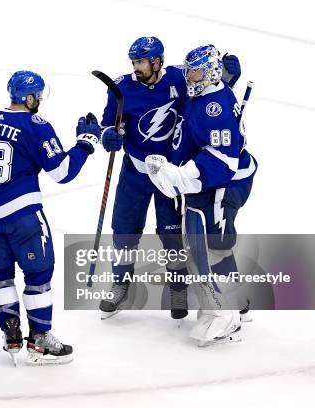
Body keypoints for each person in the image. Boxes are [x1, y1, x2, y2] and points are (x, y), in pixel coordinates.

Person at [0, 70, 100, 365]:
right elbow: (63, 172)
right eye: (38, 96)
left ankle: (11, 334)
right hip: (22, 216)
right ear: (29, 98)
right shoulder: (35, 125)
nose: (39, 101)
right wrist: (85, 144)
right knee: (39, 275)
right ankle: (41, 340)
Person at [97, 37, 241, 320]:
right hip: (135, 172)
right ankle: (120, 283)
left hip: (169, 174)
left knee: (172, 235)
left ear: (157, 61)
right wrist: (108, 136)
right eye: (134, 62)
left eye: (141, 62)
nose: (136, 67)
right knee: (124, 231)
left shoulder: (180, 78)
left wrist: (227, 79)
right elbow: (107, 124)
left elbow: (206, 96)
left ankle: (177, 287)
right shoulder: (122, 87)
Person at [145, 44, 257, 346]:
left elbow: (223, 159)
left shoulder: (215, 107)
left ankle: (227, 315)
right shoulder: (204, 94)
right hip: (206, 183)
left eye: (194, 69)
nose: (188, 74)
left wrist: (182, 175)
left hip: (223, 183)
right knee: (205, 245)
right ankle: (233, 302)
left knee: (211, 247)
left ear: (209, 72)